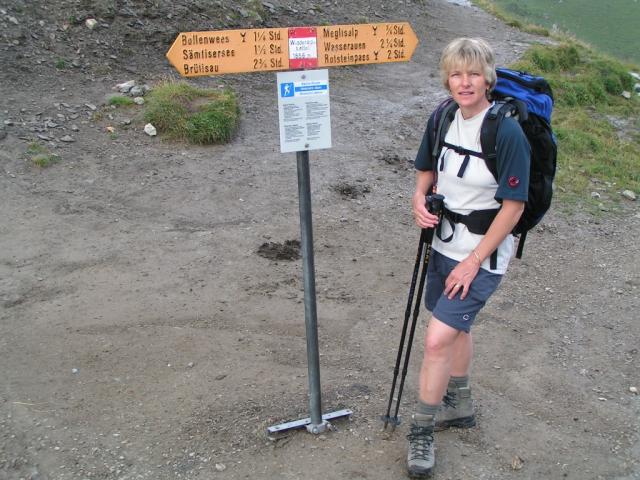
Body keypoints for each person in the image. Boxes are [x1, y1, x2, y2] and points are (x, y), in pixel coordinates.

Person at [406, 37, 531, 478]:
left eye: (474, 73)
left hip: (482, 254)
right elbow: (426, 167)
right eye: (457, 74)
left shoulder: (506, 130)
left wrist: (474, 260)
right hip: (442, 243)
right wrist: (419, 199)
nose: (465, 82)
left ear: (488, 78)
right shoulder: (442, 116)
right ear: (447, 78)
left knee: (437, 339)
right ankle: (460, 403)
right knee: (455, 327)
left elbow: (513, 207)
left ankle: (421, 429)